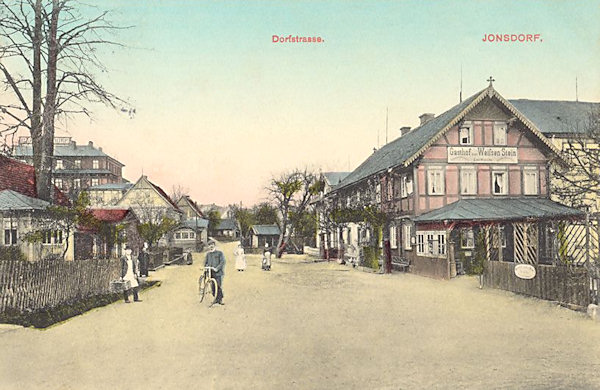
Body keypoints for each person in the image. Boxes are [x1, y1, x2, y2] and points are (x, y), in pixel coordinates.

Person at [204, 239, 226, 305]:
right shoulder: (208, 254)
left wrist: (217, 268)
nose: (211, 246)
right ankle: (215, 299)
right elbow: (205, 263)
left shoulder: (219, 253)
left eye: (212, 245)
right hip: (211, 272)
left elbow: (222, 262)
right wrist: (206, 267)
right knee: (213, 286)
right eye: (209, 245)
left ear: (214, 245)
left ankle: (220, 299)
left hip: (218, 272)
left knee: (218, 285)